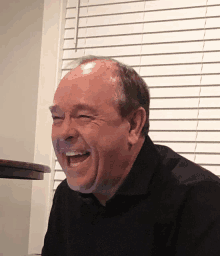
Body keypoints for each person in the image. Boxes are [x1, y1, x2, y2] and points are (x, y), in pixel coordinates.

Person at [42, 55, 220, 256]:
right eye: (57, 118)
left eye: (84, 116)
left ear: (134, 125)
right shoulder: (67, 195)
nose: (64, 132)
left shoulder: (201, 200)